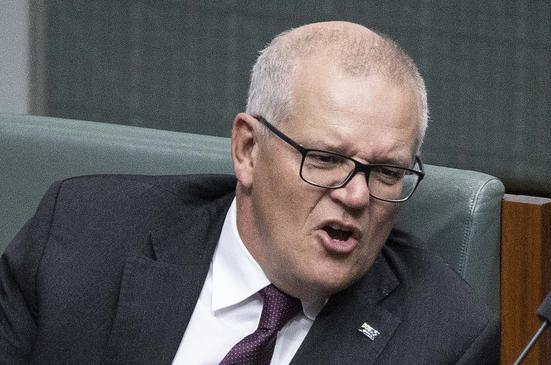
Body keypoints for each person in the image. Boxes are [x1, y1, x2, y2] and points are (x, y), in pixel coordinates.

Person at [0, 21, 498, 364]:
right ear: (248, 151)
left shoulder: (443, 335)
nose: (356, 196)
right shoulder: (81, 238)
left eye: (386, 172)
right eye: (324, 159)